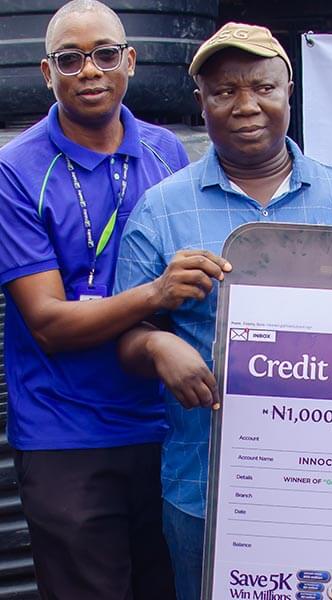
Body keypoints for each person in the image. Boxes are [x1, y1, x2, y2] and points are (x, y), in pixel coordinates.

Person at [113, 22, 332, 600]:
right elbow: (127, 336)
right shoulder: (161, 211)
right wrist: (157, 345)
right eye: (224, 92)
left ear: (289, 92)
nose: (247, 106)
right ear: (201, 103)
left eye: (263, 87)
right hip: (207, 483)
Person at [0, 1, 233, 598]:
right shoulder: (17, 169)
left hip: (168, 426)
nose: (90, 70)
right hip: (67, 432)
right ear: (47, 73)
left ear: (130, 60)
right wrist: (154, 293)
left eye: (105, 54)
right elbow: (48, 322)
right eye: (70, 59)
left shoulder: (166, 152)